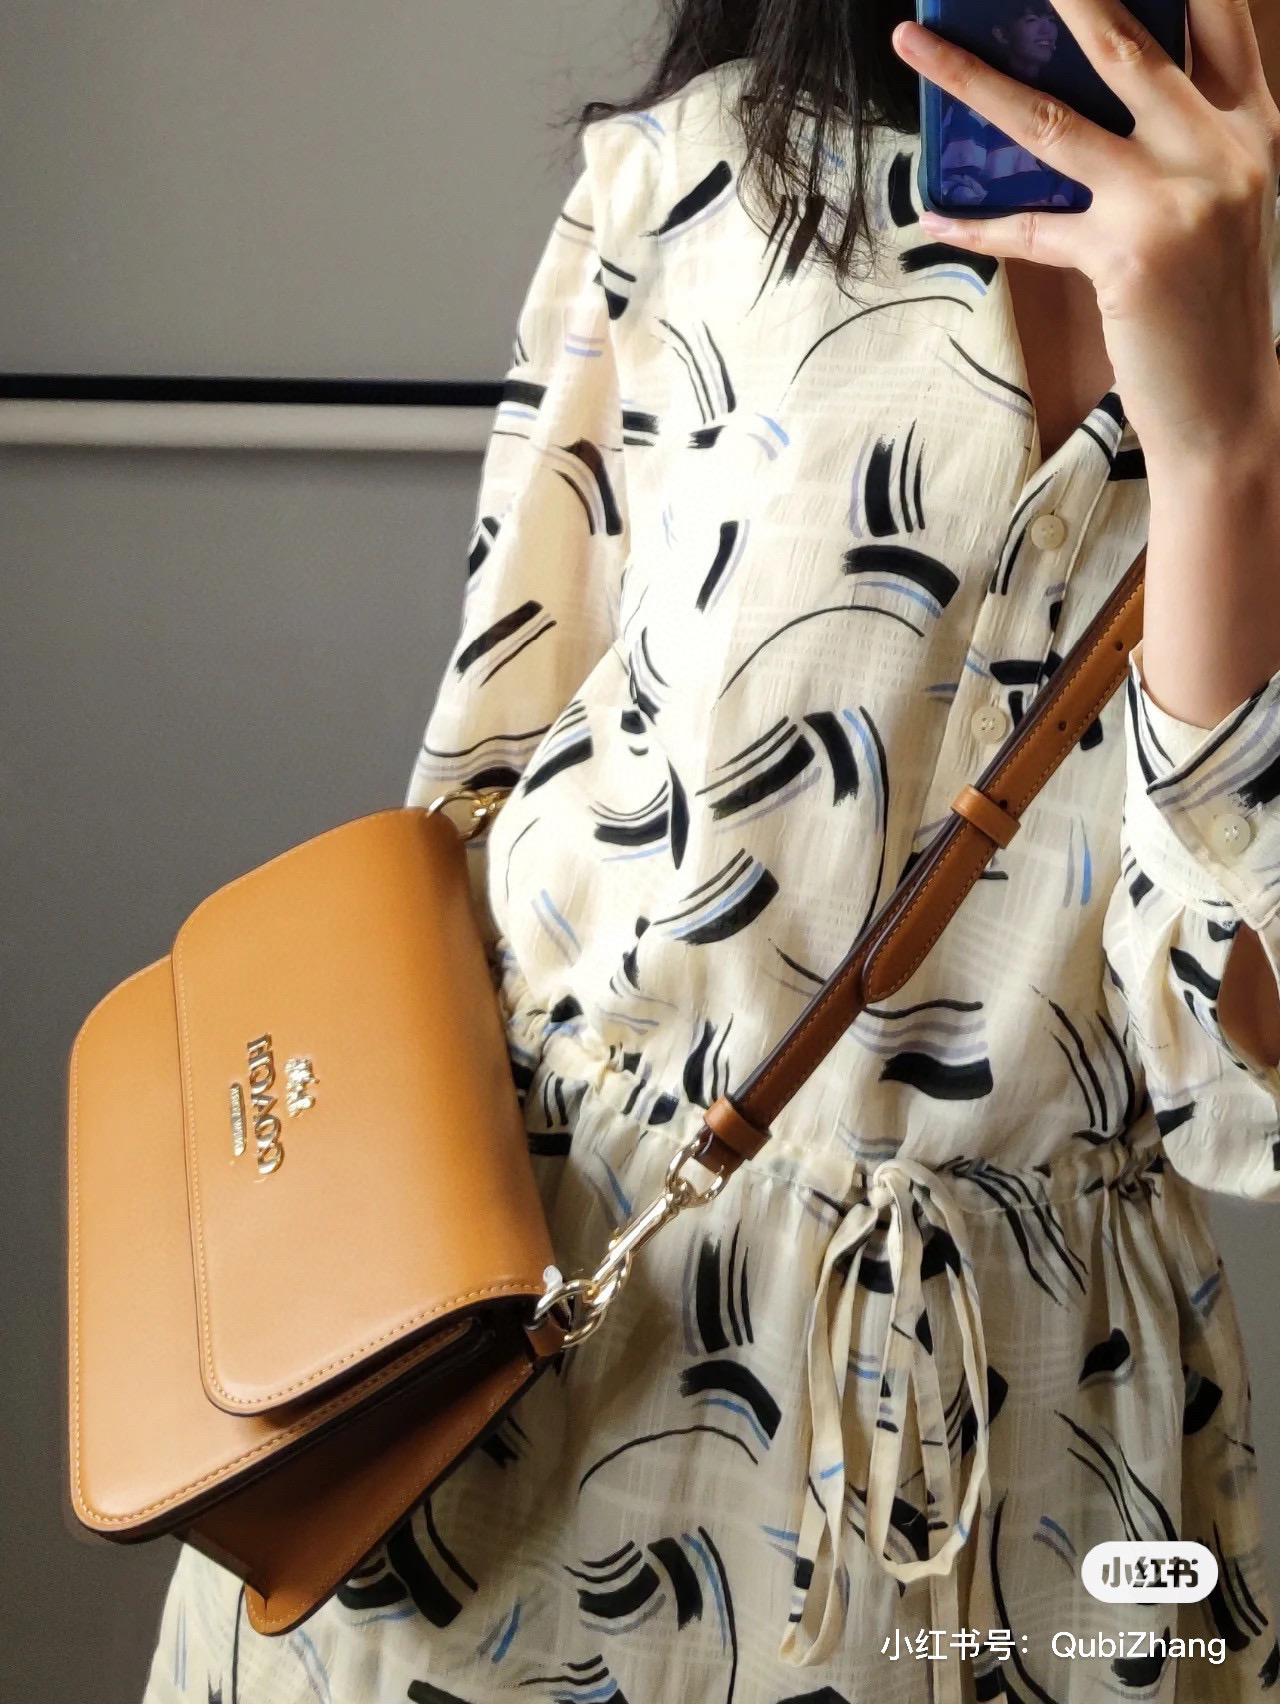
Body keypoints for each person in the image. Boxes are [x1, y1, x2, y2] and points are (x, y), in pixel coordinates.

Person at [144, 0, 1280, 1697]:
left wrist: (1225, 448)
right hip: (527, 1361)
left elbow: (1240, 1089)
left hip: (1021, 1454)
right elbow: (470, 792)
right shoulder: (708, 175)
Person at [937, 0, 1093, 209]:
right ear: (1002, 34)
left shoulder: (1067, 104)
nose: (1046, 29)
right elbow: (956, 189)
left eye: (1051, 20)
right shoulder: (976, 109)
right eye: (1031, 20)